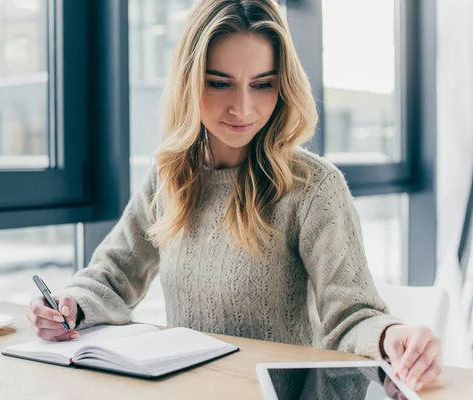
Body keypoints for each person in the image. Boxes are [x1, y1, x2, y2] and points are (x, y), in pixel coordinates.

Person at [27, 0, 442, 391]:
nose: (243, 108)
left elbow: (352, 316)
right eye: (220, 83)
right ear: (190, 82)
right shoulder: (169, 174)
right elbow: (114, 275)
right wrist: (70, 306)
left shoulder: (313, 188)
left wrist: (391, 336)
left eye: (262, 84)